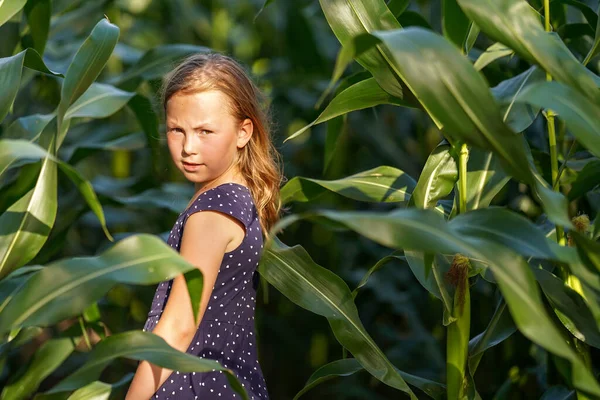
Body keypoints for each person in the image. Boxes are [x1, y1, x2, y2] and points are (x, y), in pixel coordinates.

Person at [125, 52, 283, 400]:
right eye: (176, 130)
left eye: (204, 131)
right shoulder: (240, 196)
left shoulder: (212, 212)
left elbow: (178, 328)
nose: (188, 148)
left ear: (243, 132)